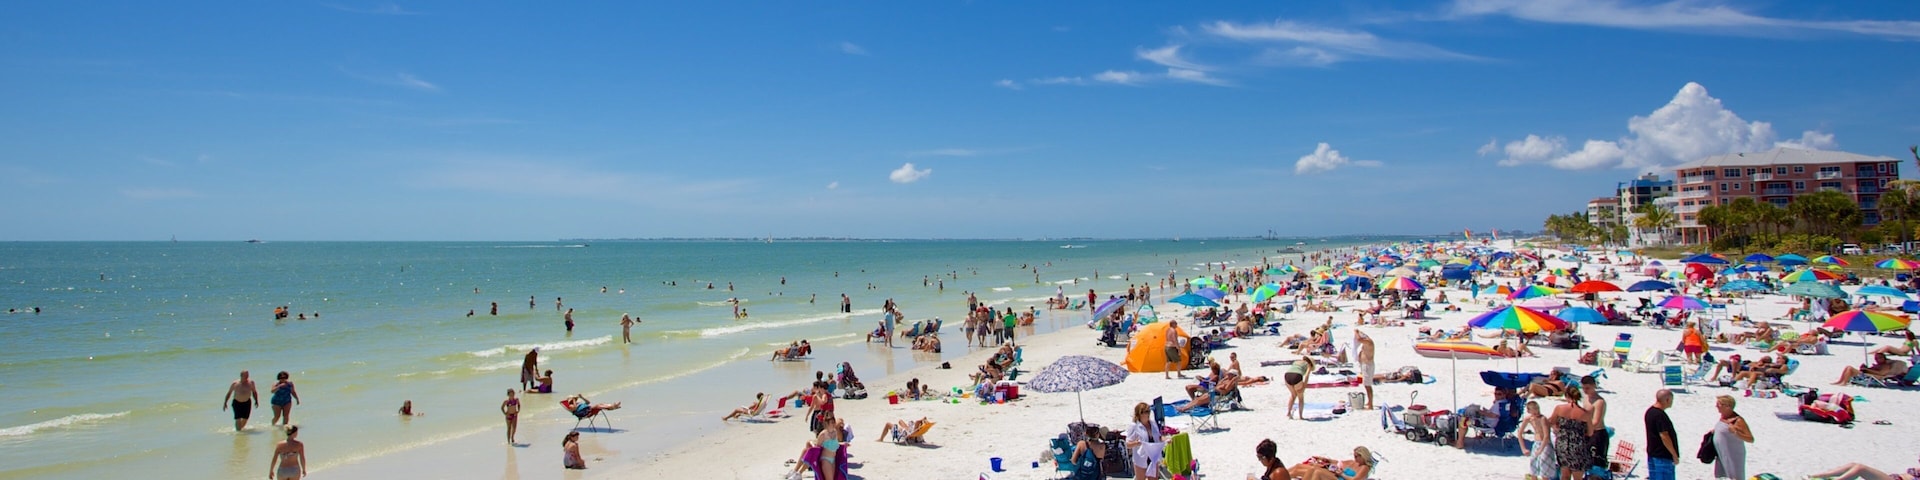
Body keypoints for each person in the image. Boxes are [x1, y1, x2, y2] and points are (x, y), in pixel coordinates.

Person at [1548, 386, 1590, 480]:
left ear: (1566, 396)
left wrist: (1557, 430)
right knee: (1577, 477)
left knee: (1565, 475)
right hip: (1577, 445)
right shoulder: (1585, 413)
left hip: (1562, 444)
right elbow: (1590, 432)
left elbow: (1551, 422)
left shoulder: (1559, 408)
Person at [1710, 395, 1752, 480]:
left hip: (1733, 455)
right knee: (1722, 476)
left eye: (1719, 404)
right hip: (1722, 453)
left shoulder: (1738, 420)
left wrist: (1736, 432)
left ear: (1727, 406)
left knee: (1735, 477)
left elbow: (1750, 439)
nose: (1716, 406)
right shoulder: (1724, 417)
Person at [1644, 389, 1678, 480]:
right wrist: (1674, 454)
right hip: (1662, 456)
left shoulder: (1650, 411)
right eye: (1671, 400)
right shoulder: (1660, 415)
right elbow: (1664, 436)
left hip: (1652, 453)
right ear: (1667, 400)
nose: (1672, 402)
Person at [1125, 402, 1163, 480]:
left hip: (1153, 457)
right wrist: (1136, 443)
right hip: (1141, 458)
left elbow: (1158, 437)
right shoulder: (1134, 426)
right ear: (1140, 414)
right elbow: (1128, 444)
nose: (1148, 414)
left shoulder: (1153, 423)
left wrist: (1166, 440)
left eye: (1148, 411)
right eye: (1145, 412)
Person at [1518, 401, 1554, 480]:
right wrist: (1523, 448)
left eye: (1537, 410)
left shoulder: (1543, 418)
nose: (1536, 413)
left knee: (1544, 470)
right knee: (1533, 468)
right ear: (1529, 411)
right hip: (1536, 443)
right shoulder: (1528, 419)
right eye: (1533, 411)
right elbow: (1520, 433)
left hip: (1545, 444)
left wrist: (1541, 449)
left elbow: (1546, 436)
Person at [1581, 375, 1610, 474]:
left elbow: (1596, 421)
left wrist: (1583, 429)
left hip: (1598, 434)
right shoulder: (1585, 398)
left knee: (1597, 462)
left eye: (1587, 388)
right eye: (1583, 388)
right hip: (1588, 433)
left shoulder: (1599, 402)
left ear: (1594, 386)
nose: (1585, 390)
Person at [1354, 330, 1375, 410]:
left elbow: (1359, 339)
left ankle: (1371, 405)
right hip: (1365, 365)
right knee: (1366, 384)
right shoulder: (1365, 343)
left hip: (1368, 365)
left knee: (1367, 385)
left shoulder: (1369, 342)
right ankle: (1369, 402)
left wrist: (1356, 332)